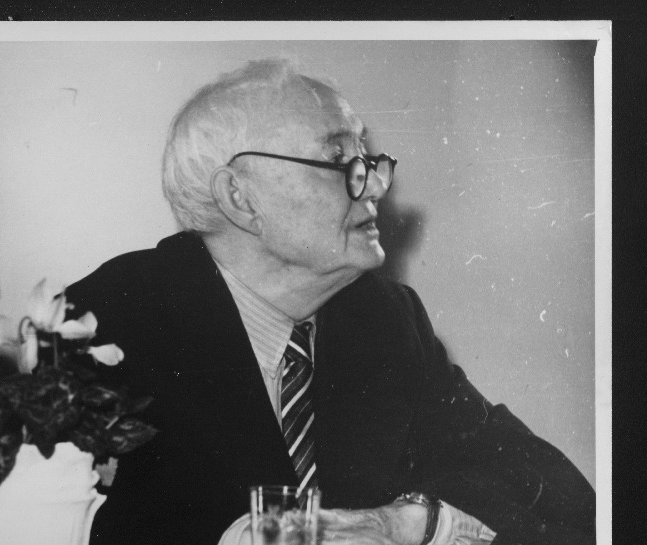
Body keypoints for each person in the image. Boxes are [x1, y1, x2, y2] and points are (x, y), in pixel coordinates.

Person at [65, 59, 595, 545]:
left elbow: (555, 490)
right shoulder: (105, 323)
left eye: (367, 159)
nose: (375, 187)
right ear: (240, 198)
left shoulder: (384, 318)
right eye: (338, 158)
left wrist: (407, 522)